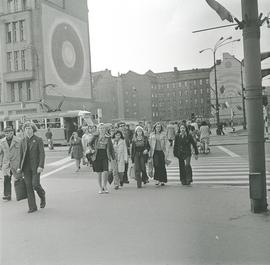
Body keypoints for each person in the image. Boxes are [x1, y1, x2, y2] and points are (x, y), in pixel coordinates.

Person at [17, 122, 46, 213]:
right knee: (28, 186)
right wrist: (19, 167)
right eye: (26, 129)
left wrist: (41, 165)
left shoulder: (38, 140)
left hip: (36, 167)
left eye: (29, 128)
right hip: (26, 168)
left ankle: (42, 195)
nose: (28, 130)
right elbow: (21, 156)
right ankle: (32, 207)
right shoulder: (22, 141)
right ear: (24, 131)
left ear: (33, 129)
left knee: (35, 184)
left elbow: (42, 154)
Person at [90, 123, 115, 194]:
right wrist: (92, 149)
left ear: (105, 129)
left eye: (103, 128)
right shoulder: (95, 137)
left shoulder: (108, 137)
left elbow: (111, 148)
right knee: (99, 173)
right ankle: (100, 187)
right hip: (97, 155)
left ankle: (105, 186)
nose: (102, 129)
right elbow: (90, 144)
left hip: (105, 155)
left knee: (106, 171)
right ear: (98, 129)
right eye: (100, 128)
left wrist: (113, 157)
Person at [0, 126, 21, 201]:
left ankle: (22, 193)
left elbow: (22, 152)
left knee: (19, 179)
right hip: (6, 164)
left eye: (8, 133)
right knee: (6, 179)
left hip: (16, 163)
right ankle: (7, 195)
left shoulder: (18, 140)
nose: (6, 134)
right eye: (5, 133)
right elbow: (1, 153)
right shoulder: (2, 141)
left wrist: (22, 163)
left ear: (12, 132)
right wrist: (1, 163)